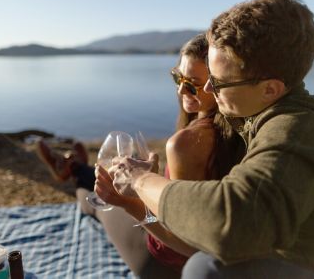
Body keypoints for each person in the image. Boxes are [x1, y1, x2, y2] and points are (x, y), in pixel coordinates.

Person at [105, 0, 314, 279]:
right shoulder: (260, 118)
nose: (206, 91)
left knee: (206, 269)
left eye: (218, 82)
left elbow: (232, 223)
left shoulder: (302, 127)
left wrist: (140, 180)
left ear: (270, 89)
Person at [36, 34, 243, 278]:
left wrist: (129, 200)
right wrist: (152, 183)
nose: (180, 89)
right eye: (178, 76)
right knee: (104, 184)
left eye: (192, 84)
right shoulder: (239, 129)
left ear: (216, 83)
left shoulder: (185, 144)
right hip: (195, 255)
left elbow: (181, 239)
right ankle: (76, 169)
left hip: (164, 262)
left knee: (96, 200)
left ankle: (72, 171)